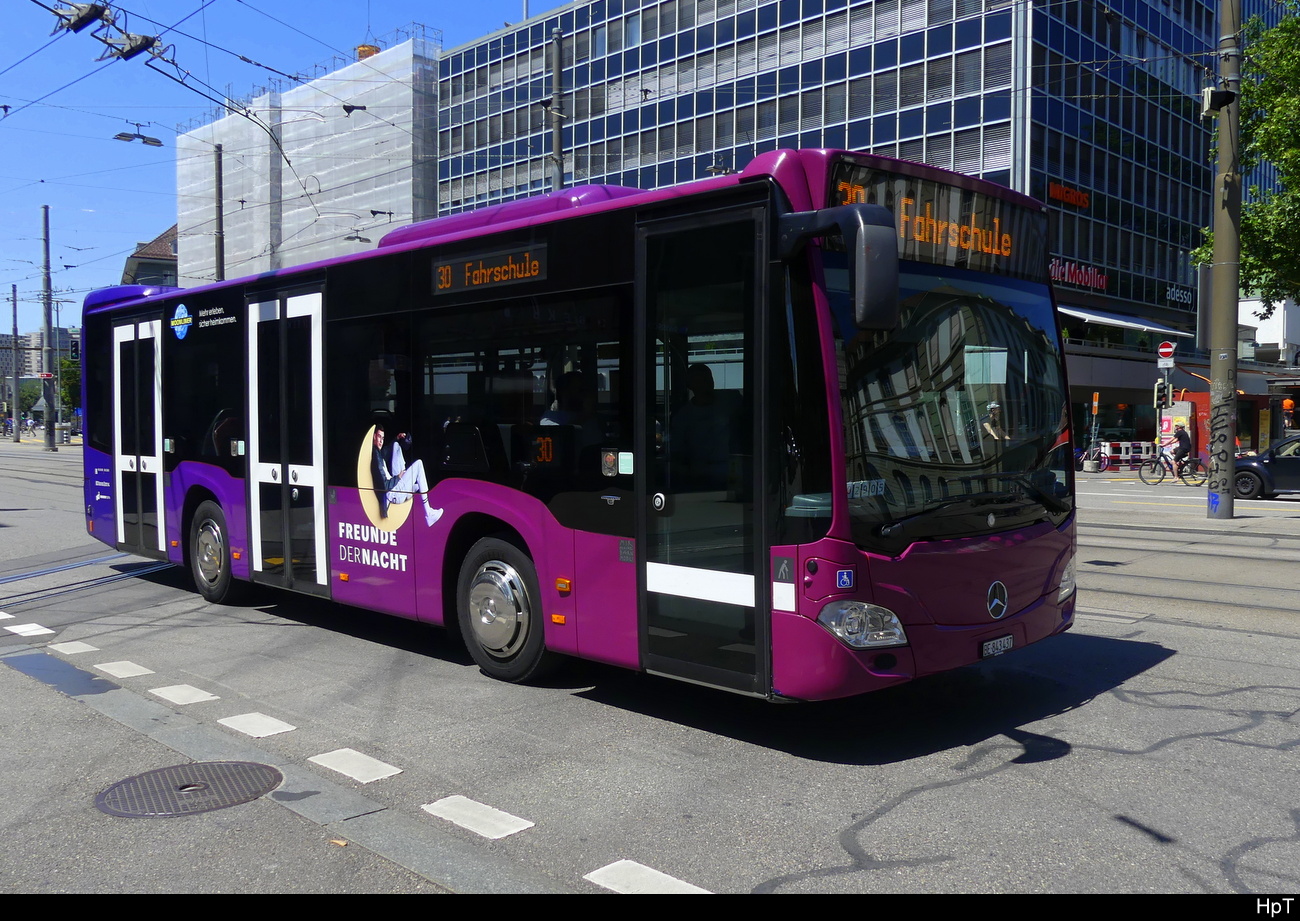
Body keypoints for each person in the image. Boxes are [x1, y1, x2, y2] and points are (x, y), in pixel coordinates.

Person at [371, 423, 443, 527]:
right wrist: (399, 477)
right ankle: (429, 513)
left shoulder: (378, 453)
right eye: (379, 437)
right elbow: (385, 486)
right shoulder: (376, 458)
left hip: (395, 488)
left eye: (383, 438)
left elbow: (387, 451)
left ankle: (409, 483)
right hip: (393, 494)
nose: (381, 441)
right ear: (374, 436)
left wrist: (397, 438)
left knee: (396, 446)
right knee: (419, 464)